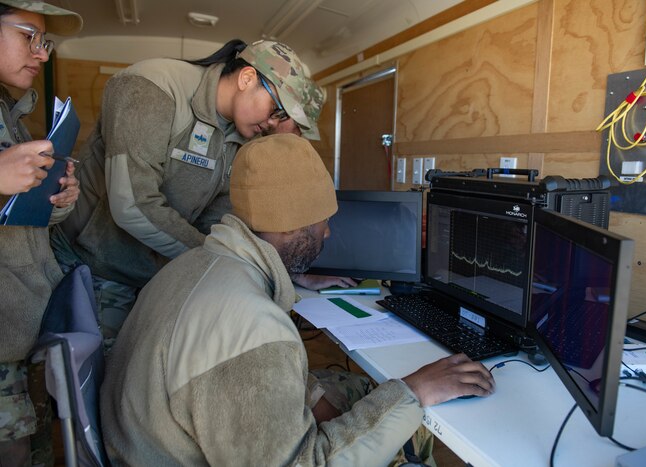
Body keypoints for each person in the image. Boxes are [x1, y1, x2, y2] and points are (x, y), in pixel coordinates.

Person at [100, 133, 495, 465]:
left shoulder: (195, 264)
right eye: (323, 220)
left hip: (152, 441)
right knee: (403, 421)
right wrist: (415, 392)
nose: (326, 234)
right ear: (292, 226)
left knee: (352, 388)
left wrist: (314, 397)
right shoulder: (254, 327)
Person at [51, 39, 353, 347]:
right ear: (247, 78)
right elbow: (132, 204)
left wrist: (287, 272)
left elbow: (222, 220)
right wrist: (218, 259)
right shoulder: (151, 87)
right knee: (102, 378)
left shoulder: (242, 133)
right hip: (97, 265)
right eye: (276, 110)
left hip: (158, 271)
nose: (272, 124)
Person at [0, 1, 82, 465]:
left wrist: (53, 200)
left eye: (44, 41)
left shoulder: (12, 112)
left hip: (19, 318)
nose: (42, 53)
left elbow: (14, 219)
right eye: (28, 35)